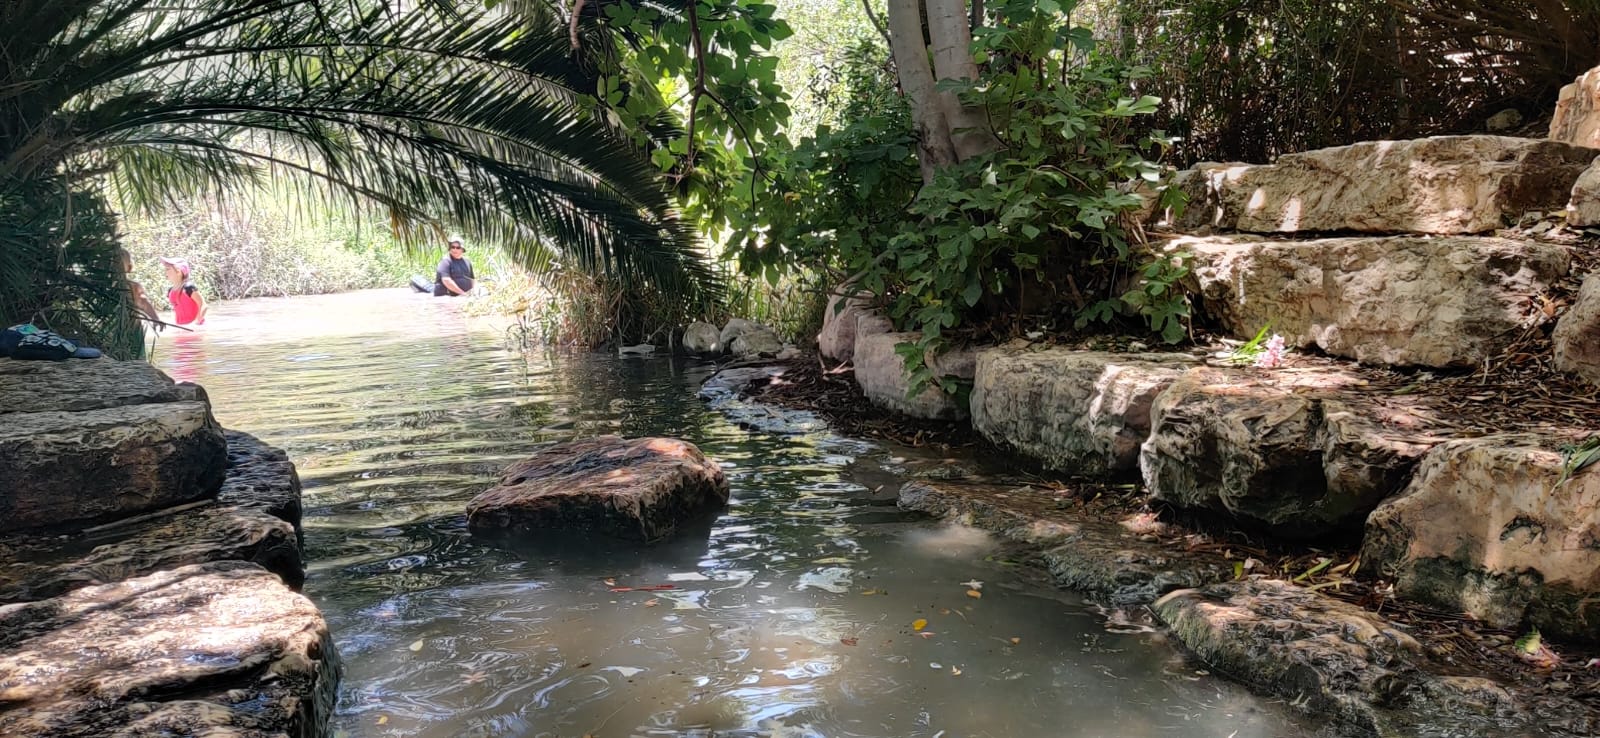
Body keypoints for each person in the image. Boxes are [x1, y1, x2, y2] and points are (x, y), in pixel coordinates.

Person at [118, 248, 161, 328]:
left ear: (129, 268)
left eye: (118, 265)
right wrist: (155, 318)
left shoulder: (133, 287)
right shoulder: (102, 286)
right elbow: (144, 303)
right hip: (125, 328)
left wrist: (155, 318)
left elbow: (144, 302)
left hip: (132, 328)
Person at [160, 256, 208, 326]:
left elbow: (203, 305)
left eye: (168, 269)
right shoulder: (170, 291)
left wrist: (197, 321)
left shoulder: (188, 287)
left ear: (179, 272)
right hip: (181, 326)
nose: (165, 272)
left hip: (194, 326)